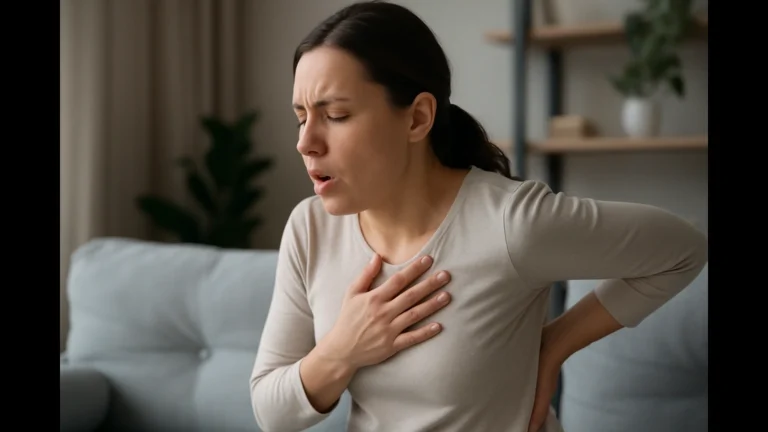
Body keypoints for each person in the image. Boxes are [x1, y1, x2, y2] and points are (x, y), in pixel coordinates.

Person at [249, 1, 708, 431]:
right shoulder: (310, 228)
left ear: (417, 119)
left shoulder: (511, 224)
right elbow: (271, 410)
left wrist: (552, 346)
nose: (305, 141)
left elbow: (683, 249)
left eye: (336, 114)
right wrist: (342, 348)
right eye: (301, 117)